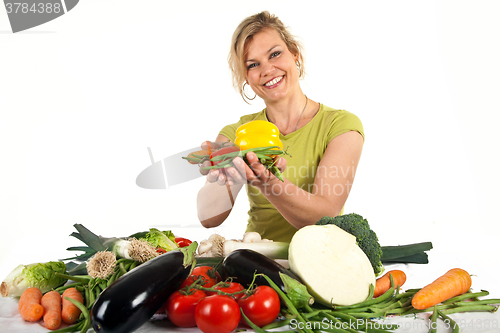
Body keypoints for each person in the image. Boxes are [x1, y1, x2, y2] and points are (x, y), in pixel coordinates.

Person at [196, 11, 364, 242]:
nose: (267, 70)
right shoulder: (237, 134)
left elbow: (325, 216)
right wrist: (222, 176)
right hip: (254, 264)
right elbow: (208, 217)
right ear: (246, 76)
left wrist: (269, 183)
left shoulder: (340, 126)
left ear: (294, 53)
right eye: (253, 64)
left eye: (275, 54)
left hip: (320, 262)